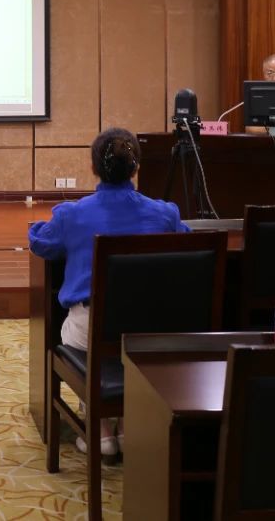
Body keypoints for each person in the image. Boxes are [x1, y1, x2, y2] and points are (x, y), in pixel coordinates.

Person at [28, 128, 188, 458]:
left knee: (73, 329)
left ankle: (100, 429)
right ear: (135, 167)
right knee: (133, 338)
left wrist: (38, 227)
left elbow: (41, 243)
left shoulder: (72, 215)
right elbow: (187, 242)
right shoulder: (165, 214)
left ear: (93, 168)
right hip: (151, 330)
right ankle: (130, 425)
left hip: (93, 331)